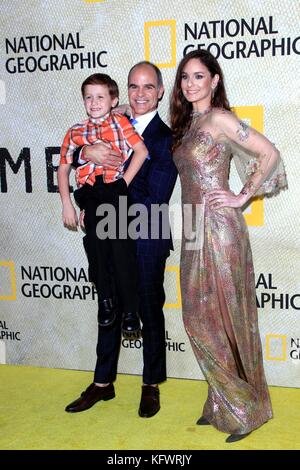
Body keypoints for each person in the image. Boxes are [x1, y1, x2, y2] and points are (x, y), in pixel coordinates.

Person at [169, 49, 287, 443]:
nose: (190, 84)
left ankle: (247, 407)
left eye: (199, 76)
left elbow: (268, 153)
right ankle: (223, 401)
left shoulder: (219, 118)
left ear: (214, 81)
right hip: (191, 227)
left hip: (219, 226)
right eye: (185, 77)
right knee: (199, 317)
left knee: (226, 315)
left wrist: (242, 196)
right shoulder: (188, 124)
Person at [64, 62, 177, 417]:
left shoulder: (165, 137)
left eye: (148, 87)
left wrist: (103, 205)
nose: (140, 94)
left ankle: (150, 384)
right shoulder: (113, 123)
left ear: (160, 91)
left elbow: (156, 194)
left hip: (145, 229)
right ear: (124, 92)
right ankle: (102, 383)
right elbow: (76, 153)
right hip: (108, 226)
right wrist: (86, 154)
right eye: (133, 87)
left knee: (146, 307)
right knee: (108, 302)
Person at [58, 73, 148, 342]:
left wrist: (123, 184)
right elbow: (62, 170)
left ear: (113, 100)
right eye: (89, 97)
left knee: (122, 249)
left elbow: (141, 151)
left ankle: (130, 311)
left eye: (100, 97)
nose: (94, 102)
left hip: (114, 190)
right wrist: (67, 205)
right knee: (96, 248)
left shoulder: (121, 122)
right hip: (89, 194)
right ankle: (106, 300)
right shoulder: (75, 132)